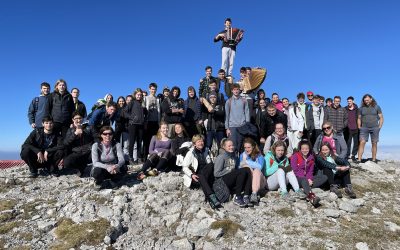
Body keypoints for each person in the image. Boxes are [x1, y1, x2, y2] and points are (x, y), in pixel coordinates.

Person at [182, 135, 221, 209]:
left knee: (210, 165)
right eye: (198, 141)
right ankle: (211, 197)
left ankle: (210, 199)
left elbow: (211, 162)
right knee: (201, 176)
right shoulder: (191, 153)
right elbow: (184, 167)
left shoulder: (207, 150)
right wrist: (191, 175)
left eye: (202, 141)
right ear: (194, 144)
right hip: (196, 176)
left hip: (206, 174)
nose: (201, 143)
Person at [214, 138, 252, 207]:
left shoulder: (234, 157)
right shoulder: (221, 157)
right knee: (242, 171)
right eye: (229, 146)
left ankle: (246, 195)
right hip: (222, 181)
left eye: (232, 145)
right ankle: (237, 197)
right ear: (224, 147)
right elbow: (216, 174)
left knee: (247, 169)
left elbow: (238, 168)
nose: (231, 147)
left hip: (231, 179)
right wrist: (229, 170)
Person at [291, 140, 326, 207]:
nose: (305, 150)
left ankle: (306, 187)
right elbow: (295, 170)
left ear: (309, 149)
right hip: (297, 178)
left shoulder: (311, 157)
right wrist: (306, 179)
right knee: (304, 180)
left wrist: (309, 179)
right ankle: (311, 197)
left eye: (306, 148)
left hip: (306, 178)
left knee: (324, 177)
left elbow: (310, 171)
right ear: (300, 149)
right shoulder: (295, 156)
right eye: (303, 149)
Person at [91, 126, 126, 190]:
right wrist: (107, 167)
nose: (108, 136)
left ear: (112, 135)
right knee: (97, 171)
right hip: (102, 168)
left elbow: (122, 159)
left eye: (110, 134)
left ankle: (114, 181)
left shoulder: (117, 144)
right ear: (101, 135)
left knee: (124, 168)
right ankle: (98, 182)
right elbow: (95, 162)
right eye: (105, 134)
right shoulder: (95, 145)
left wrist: (116, 166)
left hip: (113, 168)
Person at [63, 111, 94, 176]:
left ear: (82, 119)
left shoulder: (89, 127)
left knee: (96, 154)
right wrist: (75, 134)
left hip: (88, 151)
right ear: (73, 119)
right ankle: (80, 168)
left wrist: (84, 133)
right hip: (77, 152)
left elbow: (96, 138)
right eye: (76, 118)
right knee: (66, 162)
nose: (78, 120)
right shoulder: (70, 130)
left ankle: (85, 167)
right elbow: (65, 143)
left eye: (80, 118)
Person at [357, 94, 384, 163]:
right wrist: (359, 127)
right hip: (364, 128)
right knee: (362, 142)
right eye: (365, 100)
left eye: (367, 100)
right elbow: (359, 118)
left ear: (371, 99)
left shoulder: (377, 107)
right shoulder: (361, 108)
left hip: (375, 127)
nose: (366, 101)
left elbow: (381, 117)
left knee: (374, 143)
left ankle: (374, 159)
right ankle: (359, 159)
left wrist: (379, 127)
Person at [239, 138, 265, 205]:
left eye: (248, 147)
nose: (247, 149)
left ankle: (254, 194)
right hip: (248, 181)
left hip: (259, 181)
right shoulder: (242, 155)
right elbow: (239, 167)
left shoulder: (259, 156)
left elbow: (260, 167)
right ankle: (247, 192)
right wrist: (246, 164)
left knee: (256, 170)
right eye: (245, 148)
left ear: (253, 147)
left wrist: (246, 162)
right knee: (246, 167)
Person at [225, 83, 250, 153]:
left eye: (237, 89)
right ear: (232, 91)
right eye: (234, 90)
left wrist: (247, 125)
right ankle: (233, 162)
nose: (236, 91)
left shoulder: (244, 100)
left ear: (239, 90)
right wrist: (227, 128)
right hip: (232, 126)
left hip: (242, 126)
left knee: (242, 146)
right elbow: (226, 115)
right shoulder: (228, 101)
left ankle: (241, 163)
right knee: (233, 146)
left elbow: (247, 113)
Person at [124, 89, 147, 165]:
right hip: (133, 124)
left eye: (140, 95)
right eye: (138, 94)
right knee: (132, 142)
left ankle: (139, 158)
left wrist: (145, 120)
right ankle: (131, 158)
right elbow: (125, 112)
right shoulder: (132, 102)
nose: (139, 96)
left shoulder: (142, 103)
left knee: (140, 142)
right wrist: (131, 117)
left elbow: (146, 113)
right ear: (135, 95)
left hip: (141, 125)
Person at [144, 83, 161, 159]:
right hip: (148, 121)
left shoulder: (158, 99)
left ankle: (154, 155)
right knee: (147, 139)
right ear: (149, 89)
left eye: (154, 89)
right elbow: (143, 110)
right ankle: (145, 155)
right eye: (152, 89)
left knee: (155, 139)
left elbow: (159, 111)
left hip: (156, 121)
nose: (153, 90)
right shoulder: (146, 98)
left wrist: (159, 121)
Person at [344, 96, 359, 161]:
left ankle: (353, 155)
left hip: (356, 128)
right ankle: (347, 155)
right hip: (348, 128)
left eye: (350, 101)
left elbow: (359, 118)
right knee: (348, 142)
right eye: (348, 101)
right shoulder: (345, 109)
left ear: (353, 101)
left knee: (356, 142)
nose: (349, 102)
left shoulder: (357, 109)